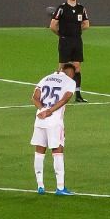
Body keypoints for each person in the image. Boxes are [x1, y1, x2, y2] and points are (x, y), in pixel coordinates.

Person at [30, 63, 77, 195]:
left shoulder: (45, 78)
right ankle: (60, 188)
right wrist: (49, 111)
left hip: (39, 119)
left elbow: (34, 97)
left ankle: (40, 186)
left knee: (39, 152)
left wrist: (43, 110)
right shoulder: (70, 82)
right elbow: (65, 99)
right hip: (54, 122)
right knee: (58, 151)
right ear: (71, 73)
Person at [49, 0, 91, 102]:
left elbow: (86, 24)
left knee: (77, 67)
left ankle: (78, 94)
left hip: (77, 40)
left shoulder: (81, 8)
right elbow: (53, 25)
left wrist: (76, 31)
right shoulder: (62, 8)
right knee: (62, 67)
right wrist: (61, 34)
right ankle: (56, 92)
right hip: (65, 40)